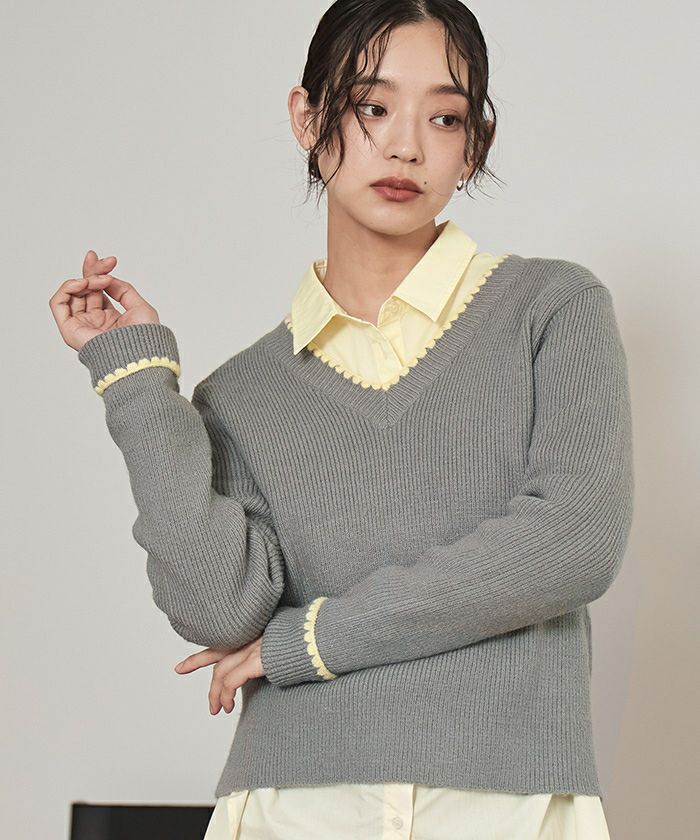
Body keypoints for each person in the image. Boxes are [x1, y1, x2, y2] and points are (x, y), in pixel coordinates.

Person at [49, 1, 633, 838]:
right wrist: (137, 381)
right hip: (291, 807)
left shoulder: (551, 309)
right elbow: (220, 611)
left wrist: (312, 641)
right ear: (307, 117)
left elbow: (574, 541)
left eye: (444, 117)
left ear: (476, 145)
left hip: (505, 806)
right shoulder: (241, 395)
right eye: (372, 107)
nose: (406, 146)